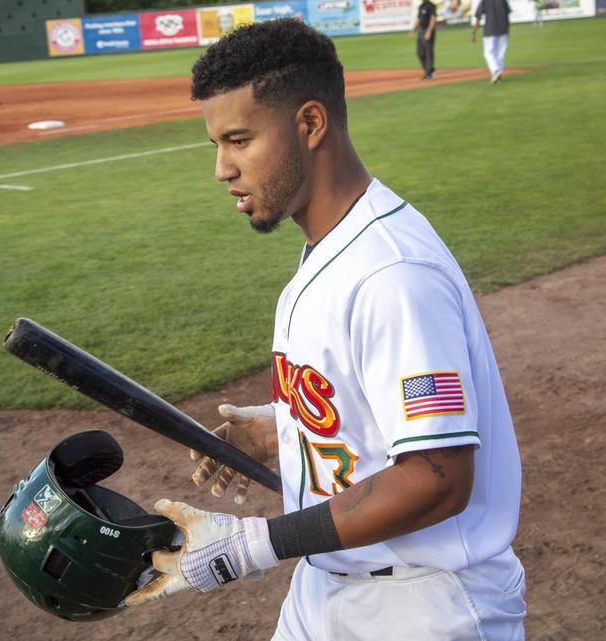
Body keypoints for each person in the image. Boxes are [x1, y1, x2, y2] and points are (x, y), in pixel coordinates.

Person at [124, 19, 526, 641]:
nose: (222, 169)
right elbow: (371, 420)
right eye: (216, 144)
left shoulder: (391, 272)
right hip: (326, 588)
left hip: (424, 609)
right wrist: (285, 430)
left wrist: (253, 544)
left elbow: (436, 477)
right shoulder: (335, 245)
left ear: (310, 124)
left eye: (238, 140)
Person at [471, 0, 512, 83]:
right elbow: (507, 15)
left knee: (488, 52)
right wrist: (507, 29)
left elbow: (478, 17)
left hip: (490, 30)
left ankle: (495, 71)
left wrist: (474, 32)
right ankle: (498, 74)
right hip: (503, 29)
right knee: (500, 53)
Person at [410, 0, 438, 80]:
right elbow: (419, 19)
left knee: (428, 51)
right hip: (421, 30)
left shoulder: (431, 5)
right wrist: (413, 30)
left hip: (427, 29)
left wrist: (429, 31)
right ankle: (430, 69)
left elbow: (433, 19)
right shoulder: (421, 6)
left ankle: (428, 74)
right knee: (420, 53)